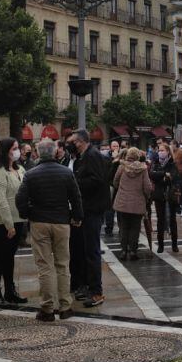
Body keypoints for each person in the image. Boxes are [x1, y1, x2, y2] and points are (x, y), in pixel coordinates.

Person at [17, 139, 84, 321]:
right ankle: (65, 306)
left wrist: (27, 213)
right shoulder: (66, 173)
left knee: (44, 266)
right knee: (63, 264)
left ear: (38, 153)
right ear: (55, 152)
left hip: (39, 221)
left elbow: (20, 199)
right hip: (61, 222)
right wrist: (77, 217)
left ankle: (47, 308)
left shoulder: (31, 174)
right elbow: (76, 197)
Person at [70, 129, 110, 306]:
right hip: (89, 208)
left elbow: (97, 180)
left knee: (92, 251)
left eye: (74, 141)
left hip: (93, 208)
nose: (72, 144)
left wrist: (76, 182)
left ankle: (96, 292)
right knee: (87, 250)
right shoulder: (85, 155)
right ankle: (90, 287)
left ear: (81, 141)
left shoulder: (92, 155)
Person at [0, 137, 26, 307]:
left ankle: (10, 290)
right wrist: (9, 225)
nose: (18, 151)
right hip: (2, 221)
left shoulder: (20, 169)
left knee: (9, 256)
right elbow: (1, 202)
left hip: (18, 218)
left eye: (18, 147)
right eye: (14, 148)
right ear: (6, 151)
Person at [113, 147, 153, 260]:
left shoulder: (122, 167)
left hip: (122, 203)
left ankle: (123, 250)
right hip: (137, 203)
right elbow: (148, 187)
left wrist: (121, 189)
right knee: (135, 228)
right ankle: (133, 251)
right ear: (138, 156)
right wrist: (146, 197)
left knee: (123, 227)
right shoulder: (143, 169)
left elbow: (115, 182)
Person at [148, 144, 180, 253]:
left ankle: (174, 244)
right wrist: (163, 174)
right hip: (159, 195)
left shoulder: (172, 163)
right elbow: (151, 174)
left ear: (167, 151)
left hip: (170, 194)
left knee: (172, 220)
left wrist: (162, 177)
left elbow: (174, 177)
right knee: (160, 220)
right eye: (159, 150)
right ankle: (160, 245)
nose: (160, 152)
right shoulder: (155, 163)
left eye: (162, 150)